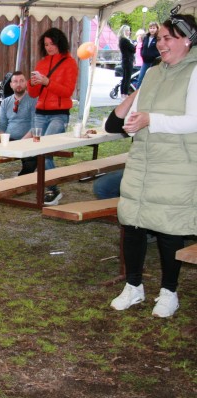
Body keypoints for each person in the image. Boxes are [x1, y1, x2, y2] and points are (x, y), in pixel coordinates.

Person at [109, 12, 197, 318]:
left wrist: (151, 120)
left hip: (176, 163)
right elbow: (137, 112)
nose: (160, 44)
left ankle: (169, 292)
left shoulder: (195, 72)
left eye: (168, 38)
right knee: (132, 222)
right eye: (158, 38)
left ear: (188, 40)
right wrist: (134, 123)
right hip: (143, 159)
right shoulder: (153, 73)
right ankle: (133, 286)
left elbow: (194, 120)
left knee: (169, 228)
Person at [28, 27, 78, 206]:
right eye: (46, 44)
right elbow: (33, 94)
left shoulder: (70, 63)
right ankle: (50, 186)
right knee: (40, 150)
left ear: (60, 43)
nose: (49, 47)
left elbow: (67, 91)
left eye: (52, 44)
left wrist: (48, 82)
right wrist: (32, 83)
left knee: (45, 149)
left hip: (59, 113)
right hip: (40, 113)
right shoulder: (42, 63)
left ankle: (53, 188)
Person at [137, 21, 160, 88]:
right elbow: (142, 47)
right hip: (145, 62)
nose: (152, 30)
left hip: (154, 63)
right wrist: (142, 54)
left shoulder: (158, 38)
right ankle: (137, 92)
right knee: (140, 78)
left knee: (152, 80)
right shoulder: (146, 37)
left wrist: (155, 56)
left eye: (154, 28)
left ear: (157, 28)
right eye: (151, 28)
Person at [118, 25, 136, 99]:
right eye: (127, 30)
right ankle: (125, 94)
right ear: (124, 31)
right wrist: (134, 45)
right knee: (127, 78)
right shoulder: (125, 40)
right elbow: (133, 49)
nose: (129, 32)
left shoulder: (122, 40)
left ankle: (123, 93)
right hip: (128, 60)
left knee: (125, 78)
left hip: (125, 60)